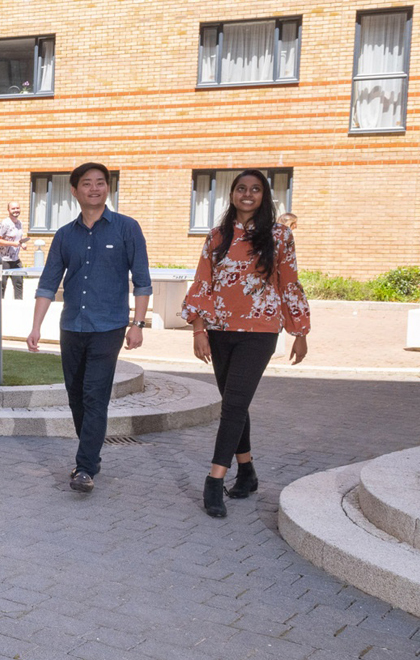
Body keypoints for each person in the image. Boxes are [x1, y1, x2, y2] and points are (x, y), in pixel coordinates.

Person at [180, 170, 310, 518]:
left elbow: (289, 284)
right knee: (234, 402)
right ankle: (248, 472)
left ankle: (213, 480)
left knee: (233, 406)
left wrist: (300, 332)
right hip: (220, 331)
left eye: (255, 189)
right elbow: (201, 285)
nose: (248, 194)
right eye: (241, 189)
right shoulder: (217, 237)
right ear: (233, 194)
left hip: (260, 332)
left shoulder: (279, 237)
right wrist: (198, 329)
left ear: (264, 196)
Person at [27, 163, 151, 493]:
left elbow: (142, 281)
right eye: (86, 184)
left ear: (107, 188)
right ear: (74, 190)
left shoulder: (127, 228)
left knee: (95, 396)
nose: (93, 188)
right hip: (72, 326)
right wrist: (36, 327)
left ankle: (84, 468)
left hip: (109, 327)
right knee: (76, 397)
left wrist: (137, 324)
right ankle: (91, 457)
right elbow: (48, 283)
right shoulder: (65, 235)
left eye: (100, 183)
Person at [0, 200, 29, 299]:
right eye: (13, 208)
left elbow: (16, 239)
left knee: (19, 284)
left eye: (17, 208)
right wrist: (13, 244)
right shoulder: (5, 223)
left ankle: (18, 306)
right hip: (3, 260)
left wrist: (22, 244)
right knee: (1, 286)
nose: (16, 210)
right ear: (8, 210)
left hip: (15, 260)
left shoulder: (19, 223)